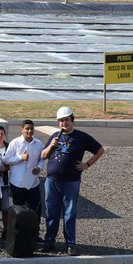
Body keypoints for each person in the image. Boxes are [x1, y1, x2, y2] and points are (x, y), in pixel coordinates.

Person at [40, 106, 105, 256]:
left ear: (72, 120)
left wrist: (87, 165)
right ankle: (49, 241)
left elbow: (100, 150)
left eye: (66, 120)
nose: (64, 123)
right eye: (61, 121)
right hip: (51, 181)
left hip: (71, 182)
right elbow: (43, 156)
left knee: (69, 213)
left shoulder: (81, 137)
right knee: (52, 212)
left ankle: (70, 244)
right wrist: (51, 145)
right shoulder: (55, 136)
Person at [4, 119, 45, 217]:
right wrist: (20, 158)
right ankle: (20, 232)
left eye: (31, 129)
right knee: (19, 212)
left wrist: (39, 168)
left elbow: (42, 159)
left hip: (33, 183)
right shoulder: (15, 143)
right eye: (27, 129)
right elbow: (6, 160)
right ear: (22, 130)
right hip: (18, 184)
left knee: (36, 211)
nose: (29, 131)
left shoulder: (38, 143)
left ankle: (34, 231)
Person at [0, 125, 11, 238]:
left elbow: (14, 161)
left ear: (5, 135)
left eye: (1, 134)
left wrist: (7, 167)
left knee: (5, 208)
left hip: (4, 183)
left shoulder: (9, 147)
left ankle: (6, 230)